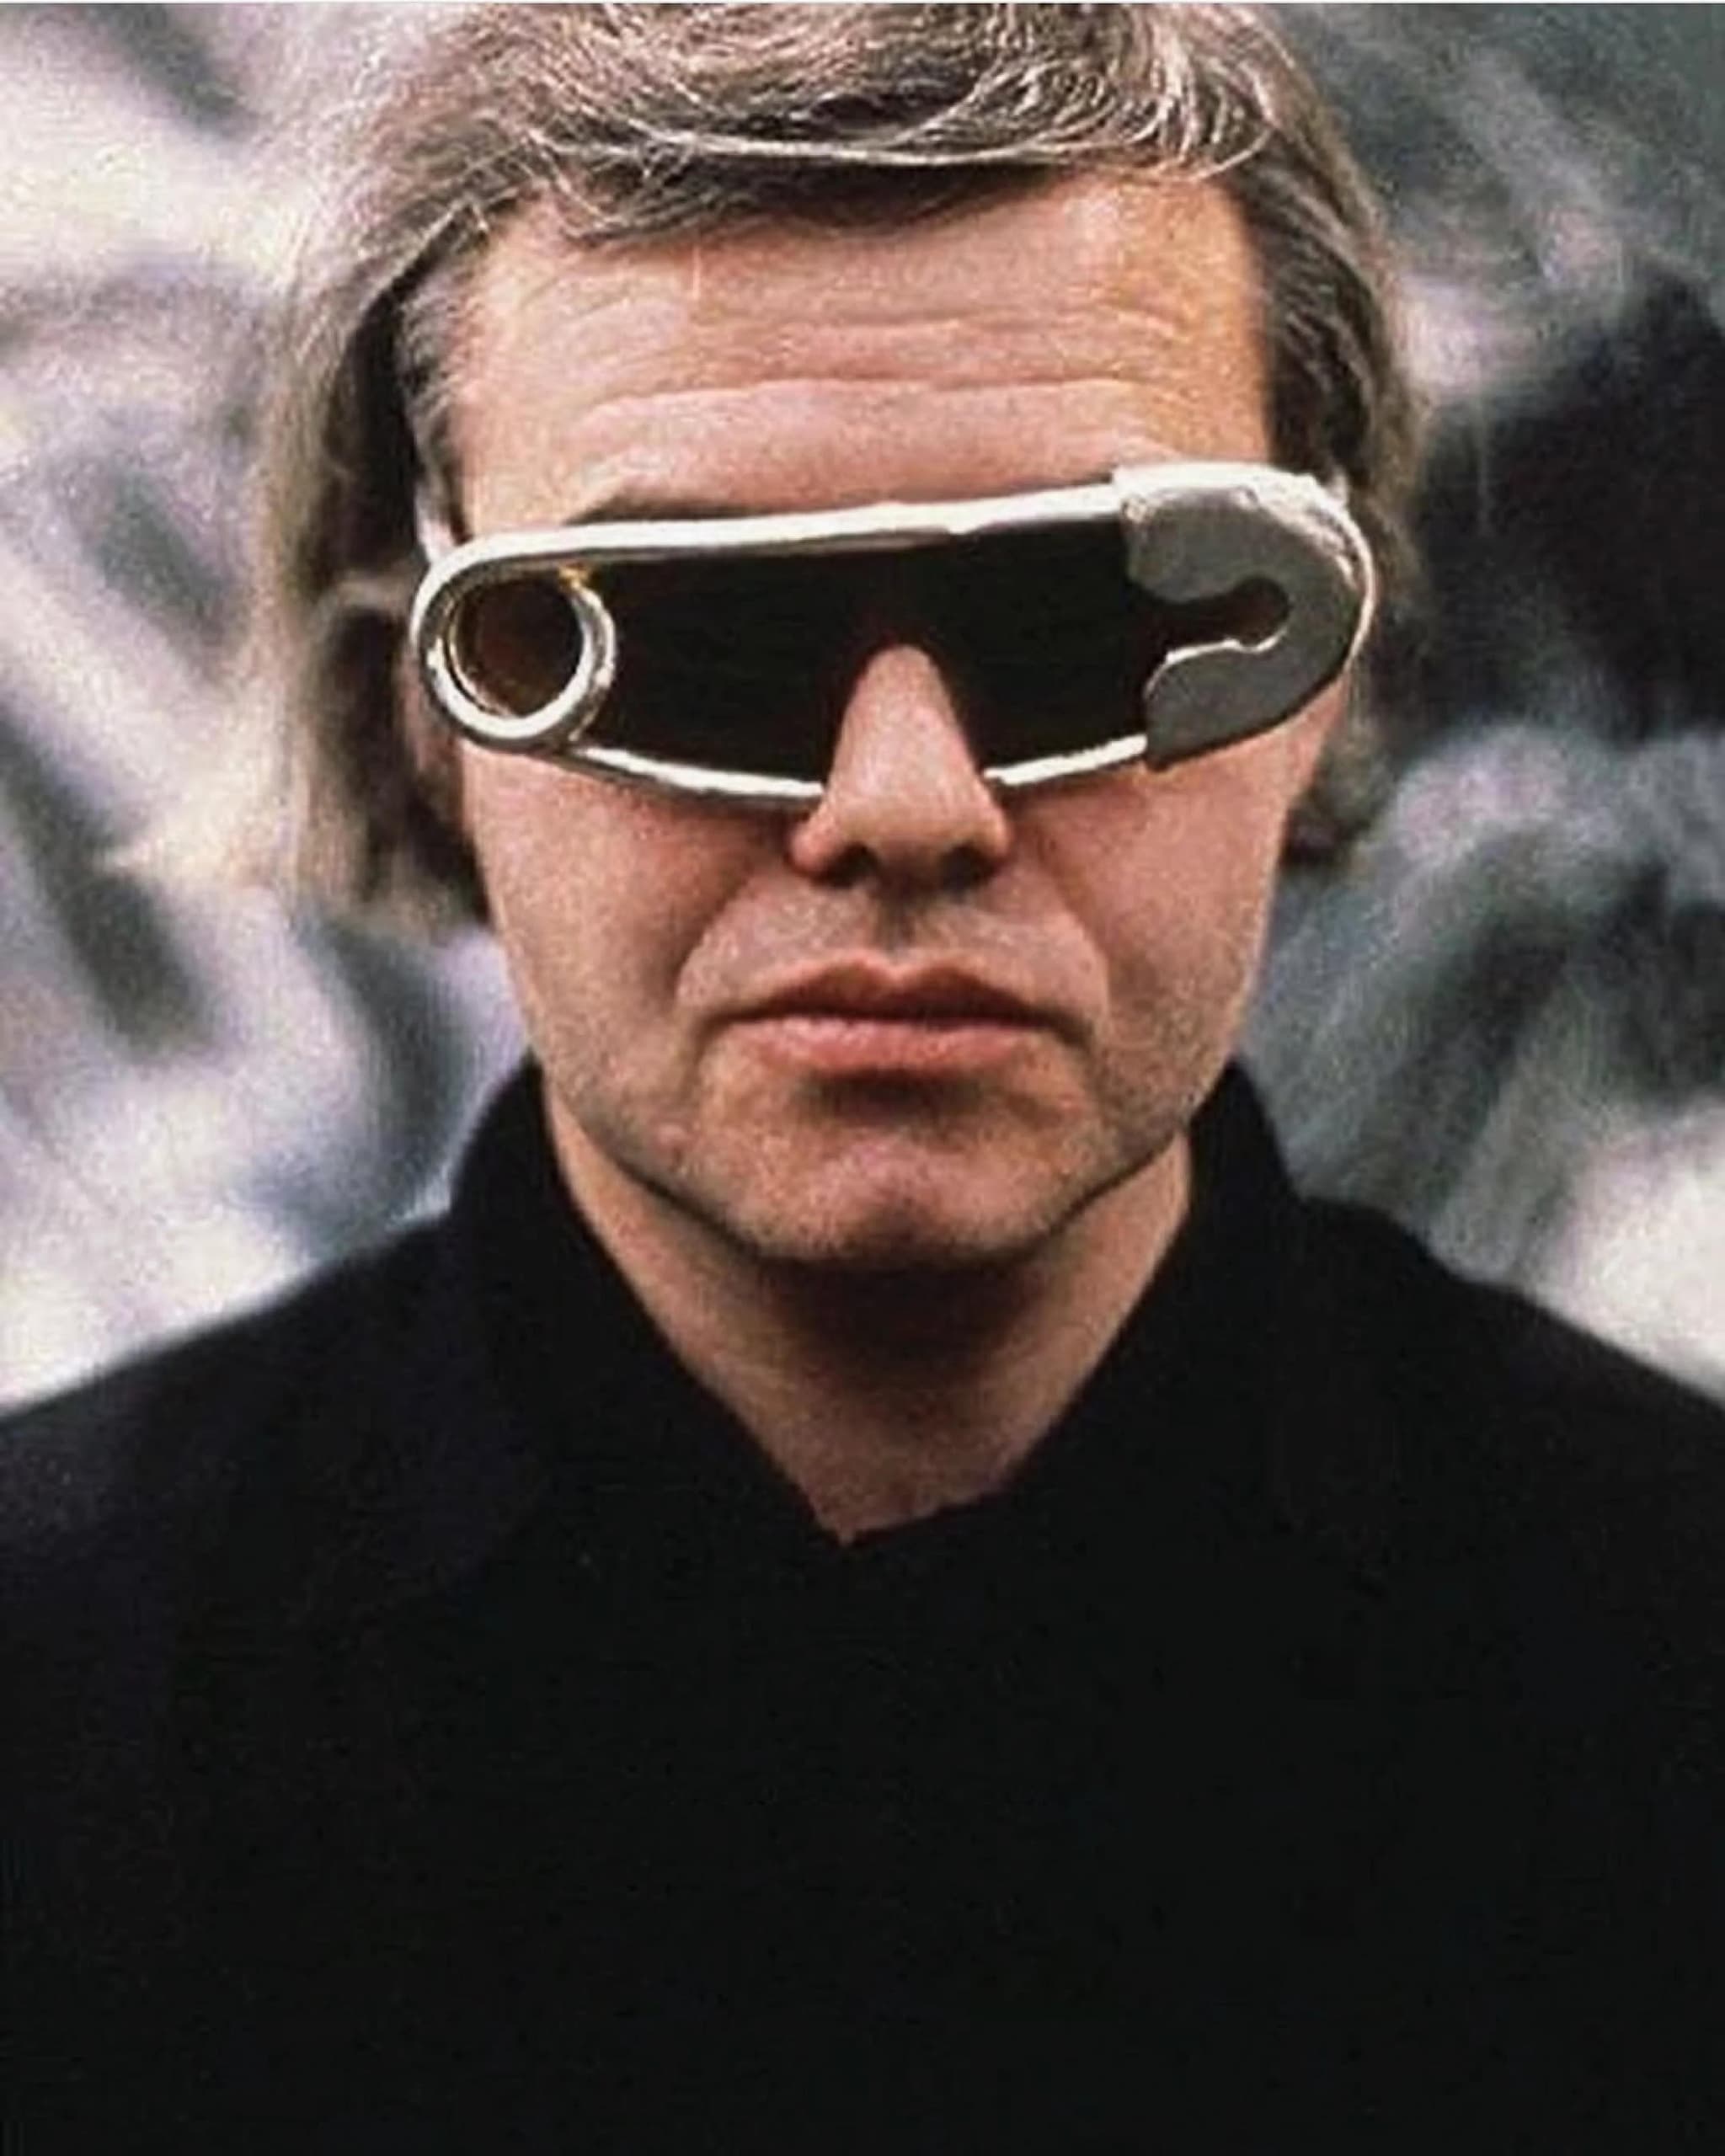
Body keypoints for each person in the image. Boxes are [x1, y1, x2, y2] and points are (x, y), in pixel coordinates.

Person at [7, 7, 1724, 2148]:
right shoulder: (48, 1718)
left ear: (1323, 683)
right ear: (425, 708)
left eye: (1095, 621)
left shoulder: (1676, 1671)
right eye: (684, 637)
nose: (904, 805)